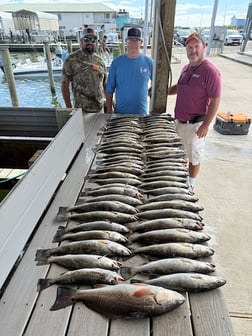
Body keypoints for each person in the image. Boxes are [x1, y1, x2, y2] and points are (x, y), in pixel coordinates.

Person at [168, 32, 221, 193]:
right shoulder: (186, 68)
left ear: (204, 47)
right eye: (190, 47)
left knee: (194, 157)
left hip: (196, 124)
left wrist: (206, 125)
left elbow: (215, 101)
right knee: (182, 153)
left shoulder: (210, 72)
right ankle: (181, 179)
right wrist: (163, 91)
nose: (193, 51)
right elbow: (180, 86)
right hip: (180, 122)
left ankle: (190, 185)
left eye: (196, 46)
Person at [105, 27, 153, 115]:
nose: (133, 43)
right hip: (120, 114)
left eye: (136, 40)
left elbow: (158, 84)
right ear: (126, 41)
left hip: (142, 114)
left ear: (141, 42)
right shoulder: (116, 62)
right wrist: (109, 109)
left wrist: (151, 91)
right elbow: (109, 89)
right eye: (130, 40)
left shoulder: (149, 61)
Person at [61, 28, 107, 113]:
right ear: (81, 41)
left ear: (96, 43)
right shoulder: (71, 59)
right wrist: (69, 108)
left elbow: (105, 84)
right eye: (86, 39)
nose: (90, 42)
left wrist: (109, 105)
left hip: (99, 109)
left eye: (93, 40)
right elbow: (64, 84)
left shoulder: (100, 60)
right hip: (80, 110)